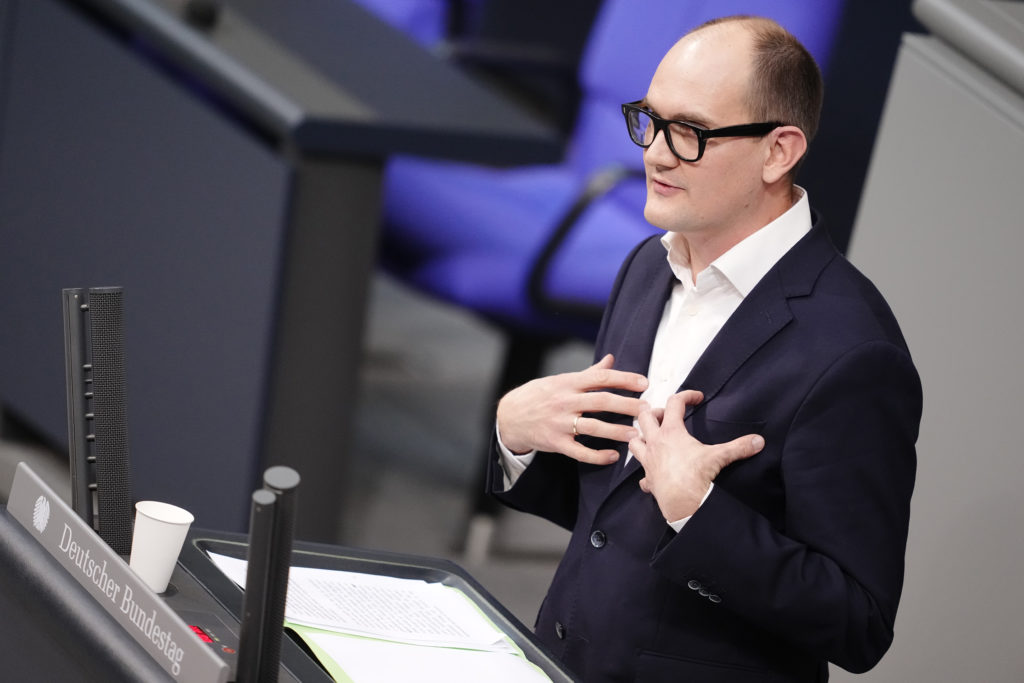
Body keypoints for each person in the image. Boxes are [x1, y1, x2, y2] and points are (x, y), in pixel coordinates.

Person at [488, 15, 922, 683]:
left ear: (779, 151)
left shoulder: (852, 352)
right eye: (649, 121)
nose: (656, 152)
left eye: (689, 132)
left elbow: (857, 621)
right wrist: (516, 439)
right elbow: (612, 518)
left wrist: (701, 512)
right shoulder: (647, 267)